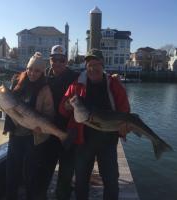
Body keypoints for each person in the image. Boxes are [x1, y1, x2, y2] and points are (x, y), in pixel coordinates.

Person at [59, 49, 132, 200]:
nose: (93, 68)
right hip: (83, 142)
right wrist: (67, 106)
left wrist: (125, 128)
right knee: (81, 181)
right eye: (90, 64)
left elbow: (125, 110)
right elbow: (62, 109)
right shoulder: (76, 85)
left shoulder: (114, 85)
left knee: (111, 182)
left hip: (108, 143)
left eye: (97, 64)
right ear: (86, 67)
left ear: (103, 65)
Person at [3, 52, 54, 200]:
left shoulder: (45, 89)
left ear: (42, 72)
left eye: (37, 70)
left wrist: (41, 128)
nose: (32, 73)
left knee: (29, 174)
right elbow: (8, 104)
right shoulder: (17, 81)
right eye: (30, 68)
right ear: (26, 68)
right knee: (11, 172)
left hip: (33, 137)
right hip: (15, 134)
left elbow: (50, 114)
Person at [35, 44, 79, 200]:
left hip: (69, 131)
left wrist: (112, 78)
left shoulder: (76, 76)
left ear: (66, 61)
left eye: (61, 59)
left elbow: (95, 76)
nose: (58, 63)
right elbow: (29, 78)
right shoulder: (44, 77)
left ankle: (63, 195)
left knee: (66, 174)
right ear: (50, 60)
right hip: (49, 131)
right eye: (55, 59)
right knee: (45, 169)